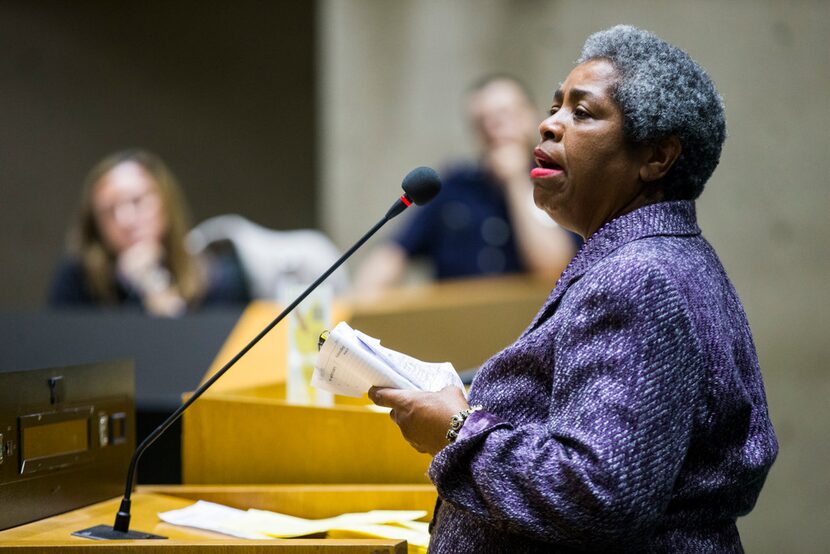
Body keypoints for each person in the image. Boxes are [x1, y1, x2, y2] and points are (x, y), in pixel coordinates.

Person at [369, 25, 778, 552]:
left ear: (657, 157)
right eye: (556, 106)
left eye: (581, 113)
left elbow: (600, 496)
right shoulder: (655, 257)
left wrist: (456, 432)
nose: (548, 124)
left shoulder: (638, 279)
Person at [353, 75, 577, 293]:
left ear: (533, 117)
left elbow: (554, 269)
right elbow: (392, 254)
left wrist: (516, 180)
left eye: (505, 115)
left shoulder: (559, 180)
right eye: (483, 121)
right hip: (457, 322)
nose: (494, 127)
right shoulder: (454, 186)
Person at [48, 149, 250, 316]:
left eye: (137, 201)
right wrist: (138, 289)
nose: (125, 219)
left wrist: (157, 289)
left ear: (166, 204)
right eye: (109, 211)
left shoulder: (217, 277)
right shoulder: (78, 279)